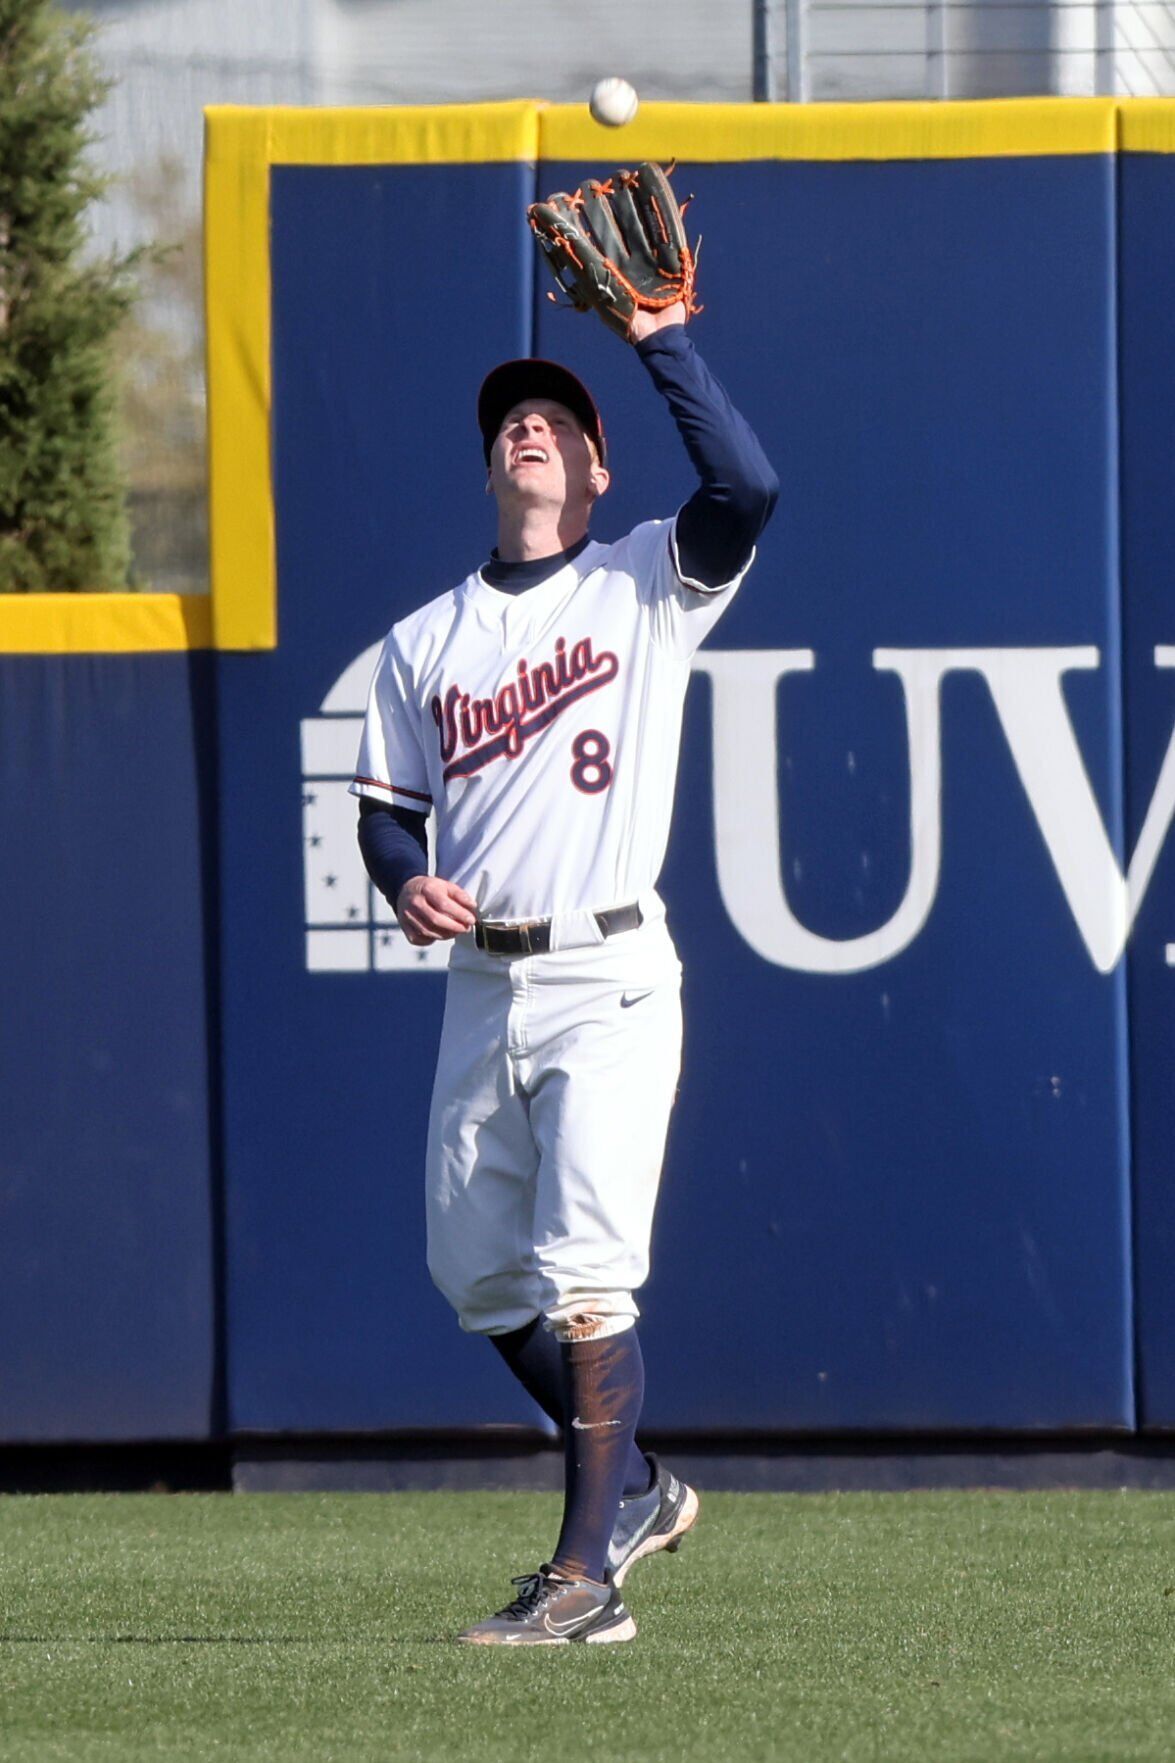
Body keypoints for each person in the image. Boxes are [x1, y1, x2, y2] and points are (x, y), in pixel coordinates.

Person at [352, 299, 777, 1645]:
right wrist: (396, 874)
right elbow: (384, 810)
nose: (528, 430)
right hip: (485, 982)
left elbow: (749, 482)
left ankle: (586, 1578)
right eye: (509, 424)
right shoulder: (425, 643)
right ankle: (639, 1488)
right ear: (492, 471)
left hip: (610, 974)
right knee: (475, 1273)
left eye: (556, 423)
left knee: (589, 1271)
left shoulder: (647, 577)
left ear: (597, 469)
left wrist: (661, 341)